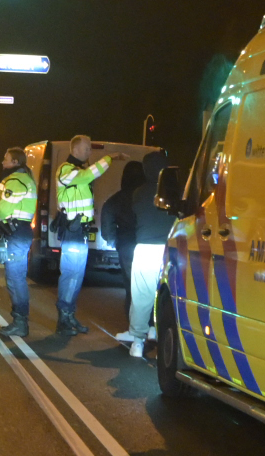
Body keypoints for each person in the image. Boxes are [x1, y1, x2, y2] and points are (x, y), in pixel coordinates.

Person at [114, 151, 175, 359]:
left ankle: (138, 343)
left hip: (145, 248)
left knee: (141, 298)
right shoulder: (175, 193)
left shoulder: (139, 193)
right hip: (170, 250)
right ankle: (162, 336)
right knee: (168, 297)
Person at [54, 134, 115, 335]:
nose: (90, 151)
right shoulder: (66, 170)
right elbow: (88, 175)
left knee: (77, 276)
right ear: (76, 149)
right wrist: (110, 158)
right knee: (71, 274)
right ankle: (64, 318)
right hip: (72, 231)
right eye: (87, 148)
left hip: (79, 232)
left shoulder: (79, 171)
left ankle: (69, 315)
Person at [0, 147, 37, 337]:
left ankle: (20, 322)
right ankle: (20, 321)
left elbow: (2, 209)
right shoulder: (25, 178)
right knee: (16, 277)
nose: (3, 162)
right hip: (20, 231)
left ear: (16, 162)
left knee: (15, 279)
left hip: (15, 232)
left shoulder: (16, 181)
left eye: (6, 159)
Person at [101, 160, 146, 314]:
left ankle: (133, 321)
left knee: (130, 285)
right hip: (149, 243)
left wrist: (113, 240)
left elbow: (107, 220)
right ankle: (150, 323)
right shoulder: (148, 197)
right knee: (148, 285)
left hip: (126, 245)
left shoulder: (117, 199)